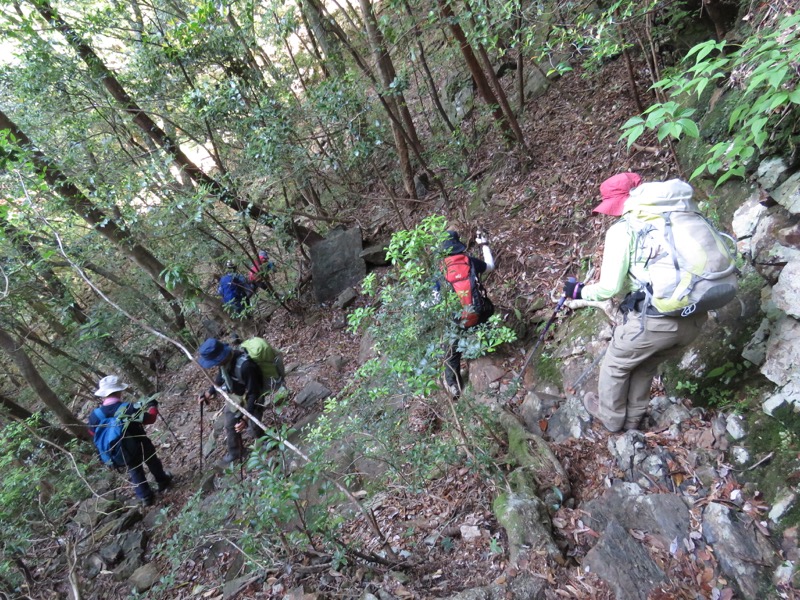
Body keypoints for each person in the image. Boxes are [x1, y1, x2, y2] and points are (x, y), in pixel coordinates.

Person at [565, 172, 707, 433]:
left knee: (615, 366)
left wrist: (579, 292)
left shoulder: (626, 229)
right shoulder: (682, 216)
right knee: (645, 364)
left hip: (654, 321)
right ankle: (633, 420)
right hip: (695, 316)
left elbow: (610, 287)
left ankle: (611, 419)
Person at [87, 375, 173, 506]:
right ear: (119, 391)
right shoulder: (128, 407)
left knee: (134, 469)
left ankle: (145, 497)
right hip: (140, 442)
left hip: (119, 449)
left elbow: (92, 433)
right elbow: (150, 419)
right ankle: (162, 480)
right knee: (152, 460)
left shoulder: (95, 415)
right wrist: (153, 406)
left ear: (103, 395)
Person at [196, 338, 281, 467]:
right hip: (236, 394)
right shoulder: (224, 363)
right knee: (230, 423)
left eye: (214, 362)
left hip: (254, 395)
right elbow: (221, 376)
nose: (213, 365)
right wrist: (210, 392)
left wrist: (246, 418)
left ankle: (266, 441)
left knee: (253, 426)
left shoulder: (246, 366)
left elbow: (254, 393)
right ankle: (236, 451)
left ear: (220, 358)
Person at [440, 229, 495, 398]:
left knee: (451, 348)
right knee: (489, 308)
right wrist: (484, 245)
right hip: (478, 314)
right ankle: (487, 342)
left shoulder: (440, 271)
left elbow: (431, 301)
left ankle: (453, 385)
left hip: (458, 322)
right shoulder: (468, 261)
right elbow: (491, 267)